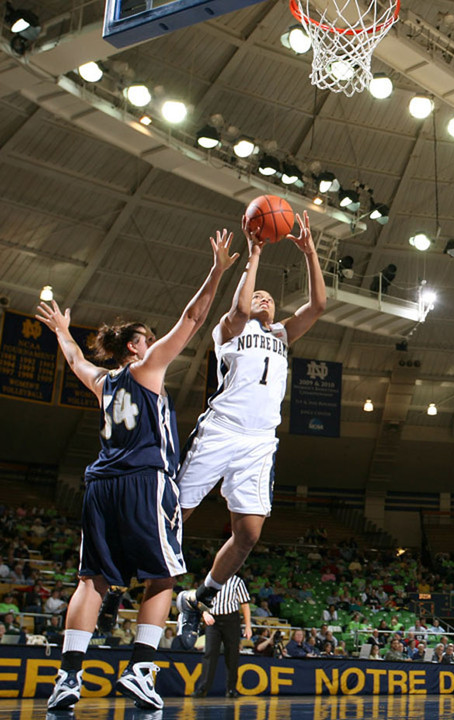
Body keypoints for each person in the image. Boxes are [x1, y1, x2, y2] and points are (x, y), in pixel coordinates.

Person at [35, 230, 238, 712]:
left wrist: (63, 330)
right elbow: (192, 319)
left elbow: (76, 360)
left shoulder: (105, 383)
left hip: (100, 483)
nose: (154, 343)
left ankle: (67, 678)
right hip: (146, 481)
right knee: (163, 577)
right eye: (147, 338)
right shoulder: (146, 370)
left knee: (92, 582)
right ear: (135, 347)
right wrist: (216, 272)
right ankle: (141, 670)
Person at [176, 211, 326, 642]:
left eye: (268, 298)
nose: (263, 298)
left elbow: (317, 306)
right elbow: (240, 306)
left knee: (249, 534)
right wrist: (255, 252)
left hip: (260, 441)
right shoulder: (231, 330)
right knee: (176, 517)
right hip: (222, 428)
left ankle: (201, 596)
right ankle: (128, 581)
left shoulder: (281, 334)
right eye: (257, 294)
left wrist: (310, 252)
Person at [191, 575, 251, 698]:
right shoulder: (210, 579)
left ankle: (231, 689)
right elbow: (199, 600)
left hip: (231, 620)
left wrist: (248, 626)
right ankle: (203, 688)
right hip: (213, 620)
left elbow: (245, 604)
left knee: (232, 654)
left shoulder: (237, 581)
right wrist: (205, 613)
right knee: (209, 653)